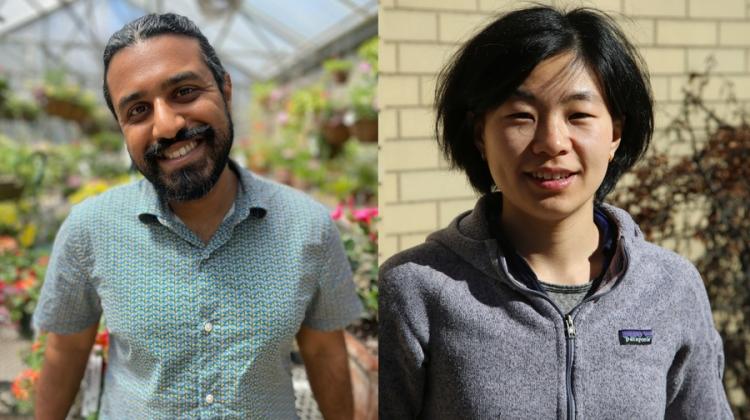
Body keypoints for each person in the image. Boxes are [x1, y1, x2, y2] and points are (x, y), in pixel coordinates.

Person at [379, 6, 732, 419]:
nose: (551, 142)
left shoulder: (672, 288)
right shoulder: (413, 290)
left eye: (578, 115)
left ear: (615, 132)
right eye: (520, 116)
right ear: (480, 135)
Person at [33, 13, 362, 419]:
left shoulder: (307, 226)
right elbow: (66, 350)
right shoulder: (90, 229)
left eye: (185, 92)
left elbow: (323, 350)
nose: (167, 125)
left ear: (225, 88)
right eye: (138, 111)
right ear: (121, 127)